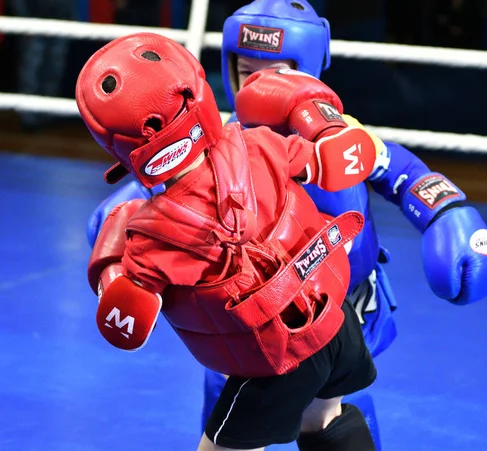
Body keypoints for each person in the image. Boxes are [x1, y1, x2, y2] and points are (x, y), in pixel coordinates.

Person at [86, 1, 487, 447]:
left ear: (308, 69)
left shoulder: (338, 133)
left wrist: (449, 213)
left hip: (341, 300)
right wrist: (124, 217)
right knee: (238, 406)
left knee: (336, 406)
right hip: (246, 321)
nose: (263, 87)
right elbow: (167, 194)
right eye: (249, 72)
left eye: (279, 73)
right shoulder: (216, 142)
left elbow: (399, 172)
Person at [77, 31, 383, 450]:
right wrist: (324, 123)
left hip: (277, 355)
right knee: (326, 418)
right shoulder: (257, 144)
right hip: (336, 322)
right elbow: (330, 159)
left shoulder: (152, 236)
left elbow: (125, 327)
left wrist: (112, 267)